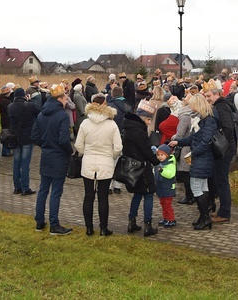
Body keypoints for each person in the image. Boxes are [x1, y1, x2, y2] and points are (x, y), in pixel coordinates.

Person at [74, 93, 122, 236]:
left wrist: (85, 153)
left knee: (88, 196)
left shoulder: (85, 123)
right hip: (105, 162)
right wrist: (110, 155)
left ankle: (89, 228)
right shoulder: (112, 124)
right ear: (104, 105)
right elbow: (118, 147)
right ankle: (103, 228)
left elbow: (78, 144)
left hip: (88, 162)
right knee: (103, 197)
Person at [169, 93, 218, 230]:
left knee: (196, 187)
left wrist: (192, 153)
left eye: (192, 105)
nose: (190, 108)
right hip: (202, 157)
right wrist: (178, 142)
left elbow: (204, 142)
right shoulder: (203, 120)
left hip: (202, 158)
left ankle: (205, 218)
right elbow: (194, 138)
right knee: (203, 187)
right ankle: (204, 217)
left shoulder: (208, 121)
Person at [32, 83, 74, 235]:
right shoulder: (62, 116)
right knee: (56, 191)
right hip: (58, 157)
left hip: (46, 155)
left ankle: (39, 221)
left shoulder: (41, 114)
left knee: (43, 189)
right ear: (61, 98)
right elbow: (64, 140)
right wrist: (70, 151)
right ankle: (54, 225)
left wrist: (45, 145)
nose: (66, 100)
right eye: (65, 97)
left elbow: (34, 136)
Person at [121, 99, 160, 237]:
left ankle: (131, 221)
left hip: (132, 167)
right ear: (143, 118)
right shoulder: (139, 131)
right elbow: (146, 151)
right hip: (142, 167)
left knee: (137, 195)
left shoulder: (128, 128)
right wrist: (156, 161)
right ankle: (148, 225)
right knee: (148, 195)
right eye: (149, 119)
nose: (150, 122)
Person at [202, 79, 235, 224]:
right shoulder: (219, 105)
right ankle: (222, 210)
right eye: (206, 96)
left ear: (216, 94)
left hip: (225, 148)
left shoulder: (221, 107)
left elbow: (228, 128)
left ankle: (225, 212)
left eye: (209, 96)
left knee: (222, 180)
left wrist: (218, 141)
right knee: (220, 179)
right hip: (224, 147)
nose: (207, 99)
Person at [6, 87, 40, 195]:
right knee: (25, 164)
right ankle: (25, 187)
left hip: (15, 137)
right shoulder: (29, 105)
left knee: (16, 162)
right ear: (24, 95)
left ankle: (17, 187)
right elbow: (38, 111)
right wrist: (29, 101)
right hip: (27, 137)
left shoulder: (10, 106)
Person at [154, 143, 177, 228]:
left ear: (167, 155)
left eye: (162, 155)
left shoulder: (170, 164)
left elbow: (170, 174)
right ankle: (165, 218)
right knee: (163, 204)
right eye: (158, 155)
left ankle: (171, 219)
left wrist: (162, 170)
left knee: (167, 204)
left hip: (168, 188)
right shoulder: (159, 164)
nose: (160, 157)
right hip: (161, 188)